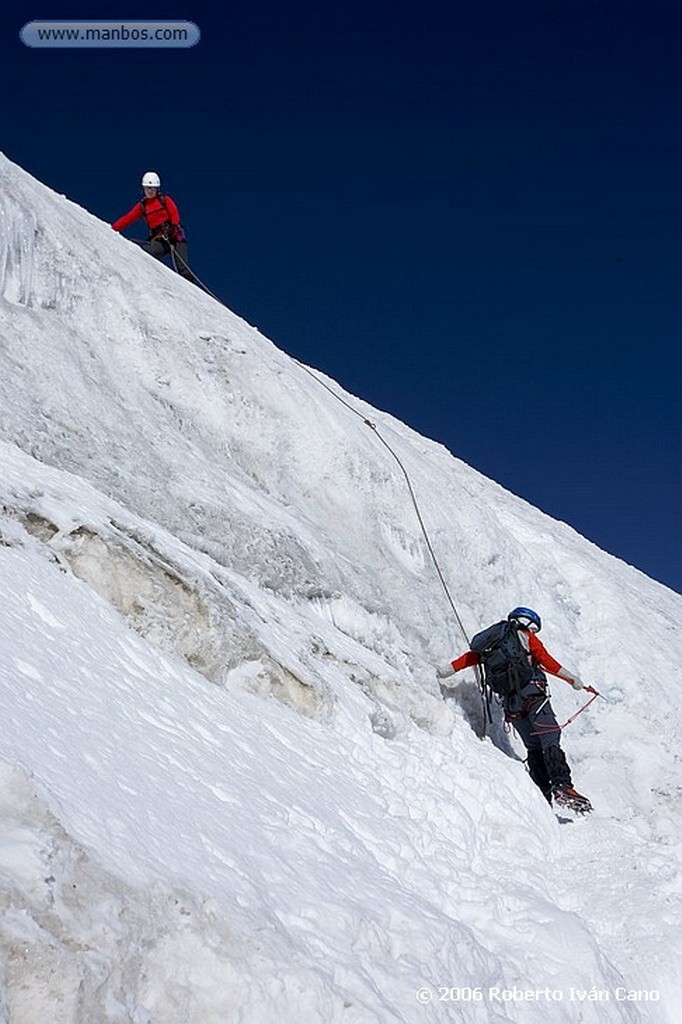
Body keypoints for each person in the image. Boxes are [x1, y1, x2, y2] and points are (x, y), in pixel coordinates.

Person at [438, 607, 593, 813]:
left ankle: (542, 796)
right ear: (529, 623)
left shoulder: (493, 644)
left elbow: (469, 658)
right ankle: (563, 785)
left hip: (512, 705)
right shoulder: (526, 637)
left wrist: (445, 670)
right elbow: (547, 661)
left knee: (534, 747)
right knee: (550, 737)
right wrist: (573, 679)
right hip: (533, 695)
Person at [112, 171, 198, 284]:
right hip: (160, 239)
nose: (150, 191)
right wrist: (112, 228)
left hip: (175, 237)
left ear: (157, 189)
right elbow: (128, 218)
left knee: (183, 269)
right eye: (148, 188)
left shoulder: (165, 200)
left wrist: (173, 227)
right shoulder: (142, 206)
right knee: (147, 253)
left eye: (153, 188)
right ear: (144, 188)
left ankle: (190, 289)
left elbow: (174, 214)